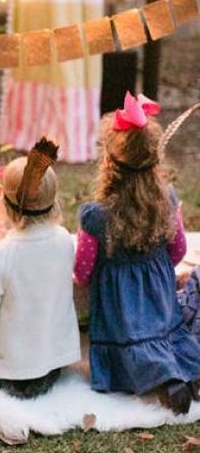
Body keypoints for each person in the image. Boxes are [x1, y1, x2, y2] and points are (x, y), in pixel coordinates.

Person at [74, 92, 200, 414]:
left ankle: (162, 379)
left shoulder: (95, 215)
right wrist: (151, 267)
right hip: (159, 299)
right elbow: (179, 250)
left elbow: (83, 271)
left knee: (133, 342)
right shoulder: (167, 200)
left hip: (120, 310)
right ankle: (185, 373)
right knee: (170, 335)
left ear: (108, 162)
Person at [0, 138, 81, 398]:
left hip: (3, 370)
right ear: (54, 201)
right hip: (52, 363)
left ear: (3, 204)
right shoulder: (64, 240)